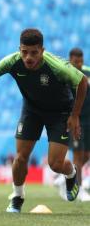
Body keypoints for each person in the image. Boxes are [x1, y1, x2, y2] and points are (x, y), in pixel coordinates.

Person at [0, 28, 88, 213]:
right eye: (24, 52)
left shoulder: (56, 66)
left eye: (34, 53)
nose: (28, 58)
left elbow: (82, 82)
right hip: (32, 110)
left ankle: (71, 173)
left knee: (55, 164)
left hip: (60, 113)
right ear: (19, 49)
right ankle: (17, 197)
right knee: (20, 158)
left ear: (42, 50)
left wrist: (75, 116)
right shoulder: (13, 61)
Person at [54, 47, 90, 201]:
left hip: (88, 119)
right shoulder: (65, 75)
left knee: (86, 155)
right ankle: (79, 188)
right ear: (70, 60)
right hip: (74, 120)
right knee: (77, 155)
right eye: (76, 61)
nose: (79, 64)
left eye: (81, 61)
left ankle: (64, 178)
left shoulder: (87, 73)